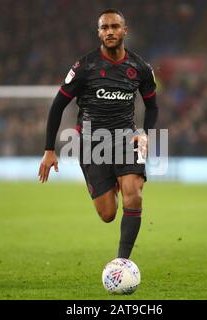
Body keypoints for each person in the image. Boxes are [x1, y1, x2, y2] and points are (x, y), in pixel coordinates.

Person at [38, 9, 158, 259]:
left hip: (127, 139)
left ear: (125, 30)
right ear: (99, 33)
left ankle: (122, 262)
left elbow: (152, 106)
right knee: (108, 214)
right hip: (92, 144)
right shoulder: (85, 66)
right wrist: (50, 150)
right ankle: (115, 181)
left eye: (115, 27)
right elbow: (58, 105)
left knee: (133, 196)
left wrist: (145, 133)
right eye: (104, 28)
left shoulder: (140, 68)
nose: (110, 32)